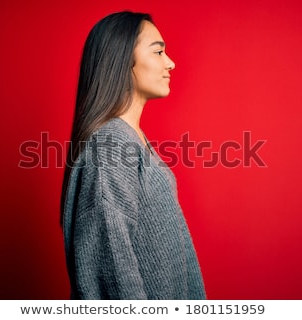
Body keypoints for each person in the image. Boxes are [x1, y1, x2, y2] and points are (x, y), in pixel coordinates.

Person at [61, 11, 206, 299]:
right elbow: (109, 263)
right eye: (159, 51)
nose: (170, 62)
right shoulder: (112, 144)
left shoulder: (129, 139)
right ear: (123, 59)